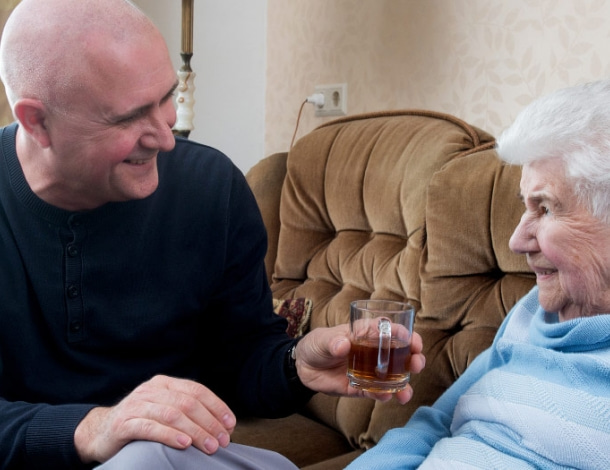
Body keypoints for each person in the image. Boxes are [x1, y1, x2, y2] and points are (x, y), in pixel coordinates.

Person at [0, 1, 426, 469]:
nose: (165, 138)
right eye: (127, 118)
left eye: (166, 98)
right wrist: (93, 426)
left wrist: (294, 366)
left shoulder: (211, 188)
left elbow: (240, 361)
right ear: (37, 121)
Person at [346, 78, 610, 470]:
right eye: (525, 206)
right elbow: (435, 422)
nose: (517, 241)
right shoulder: (532, 313)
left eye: (546, 208)